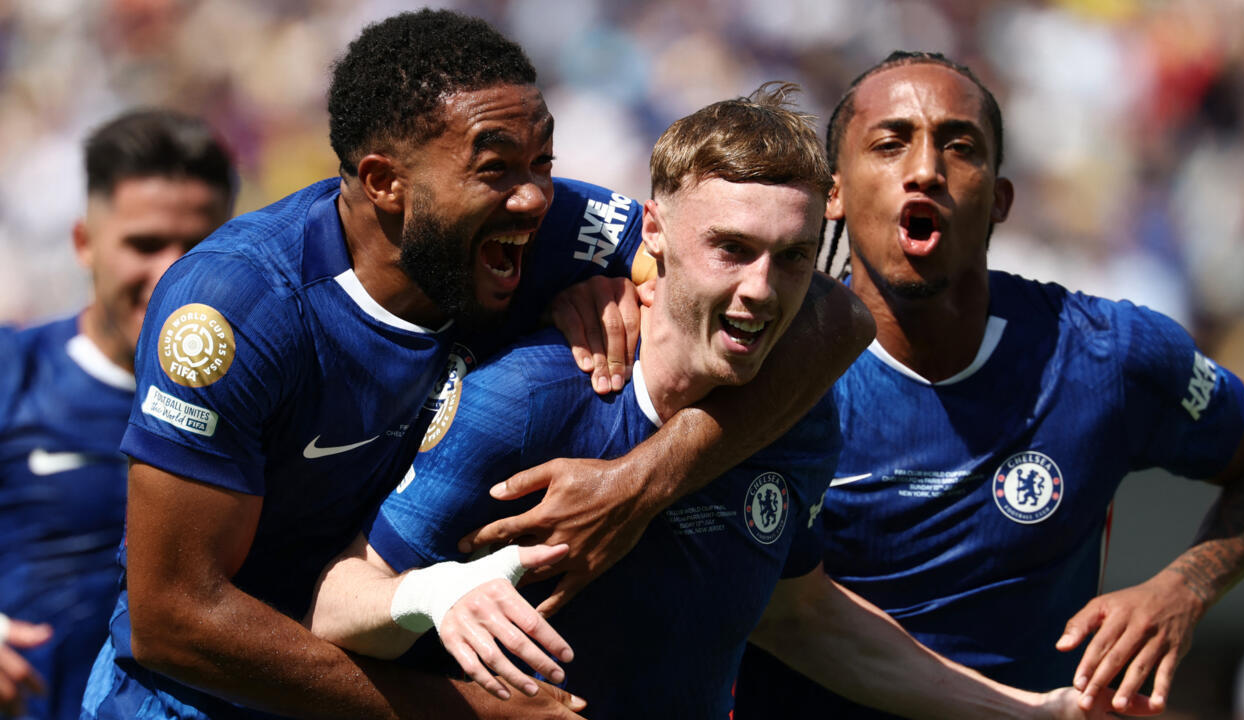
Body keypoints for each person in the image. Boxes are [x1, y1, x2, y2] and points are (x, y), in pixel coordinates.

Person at [80, 10, 864, 720]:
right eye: (495, 168)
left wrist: (643, 481)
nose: (534, 198)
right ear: (385, 182)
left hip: (376, 663)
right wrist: (471, 714)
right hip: (197, 698)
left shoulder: (556, 229)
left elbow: (832, 317)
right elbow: (173, 619)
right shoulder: (238, 308)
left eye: (543, 160)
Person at [303, 84, 1149, 720]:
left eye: (791, 257)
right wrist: (434, 595)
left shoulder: (796, 414)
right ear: (655, 233)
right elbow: (334, 603)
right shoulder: (531, 401)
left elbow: (798, 613)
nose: (761, 291)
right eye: (731, 250)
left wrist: (1032, 712)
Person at [734, 51, 1244, 718]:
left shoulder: (1108, 355)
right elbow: (790, 616)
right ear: (834, 194)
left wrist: (1185, 587)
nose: (925, 169)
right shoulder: (763, 366)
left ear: (1000, 199)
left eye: (959, 146)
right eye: (891, 143)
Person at [0, 109, 234, 720]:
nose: (173, 274)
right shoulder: (14, 372)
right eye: (145, 245)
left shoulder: (266, 399)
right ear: (84, 243)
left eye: (199, 247)